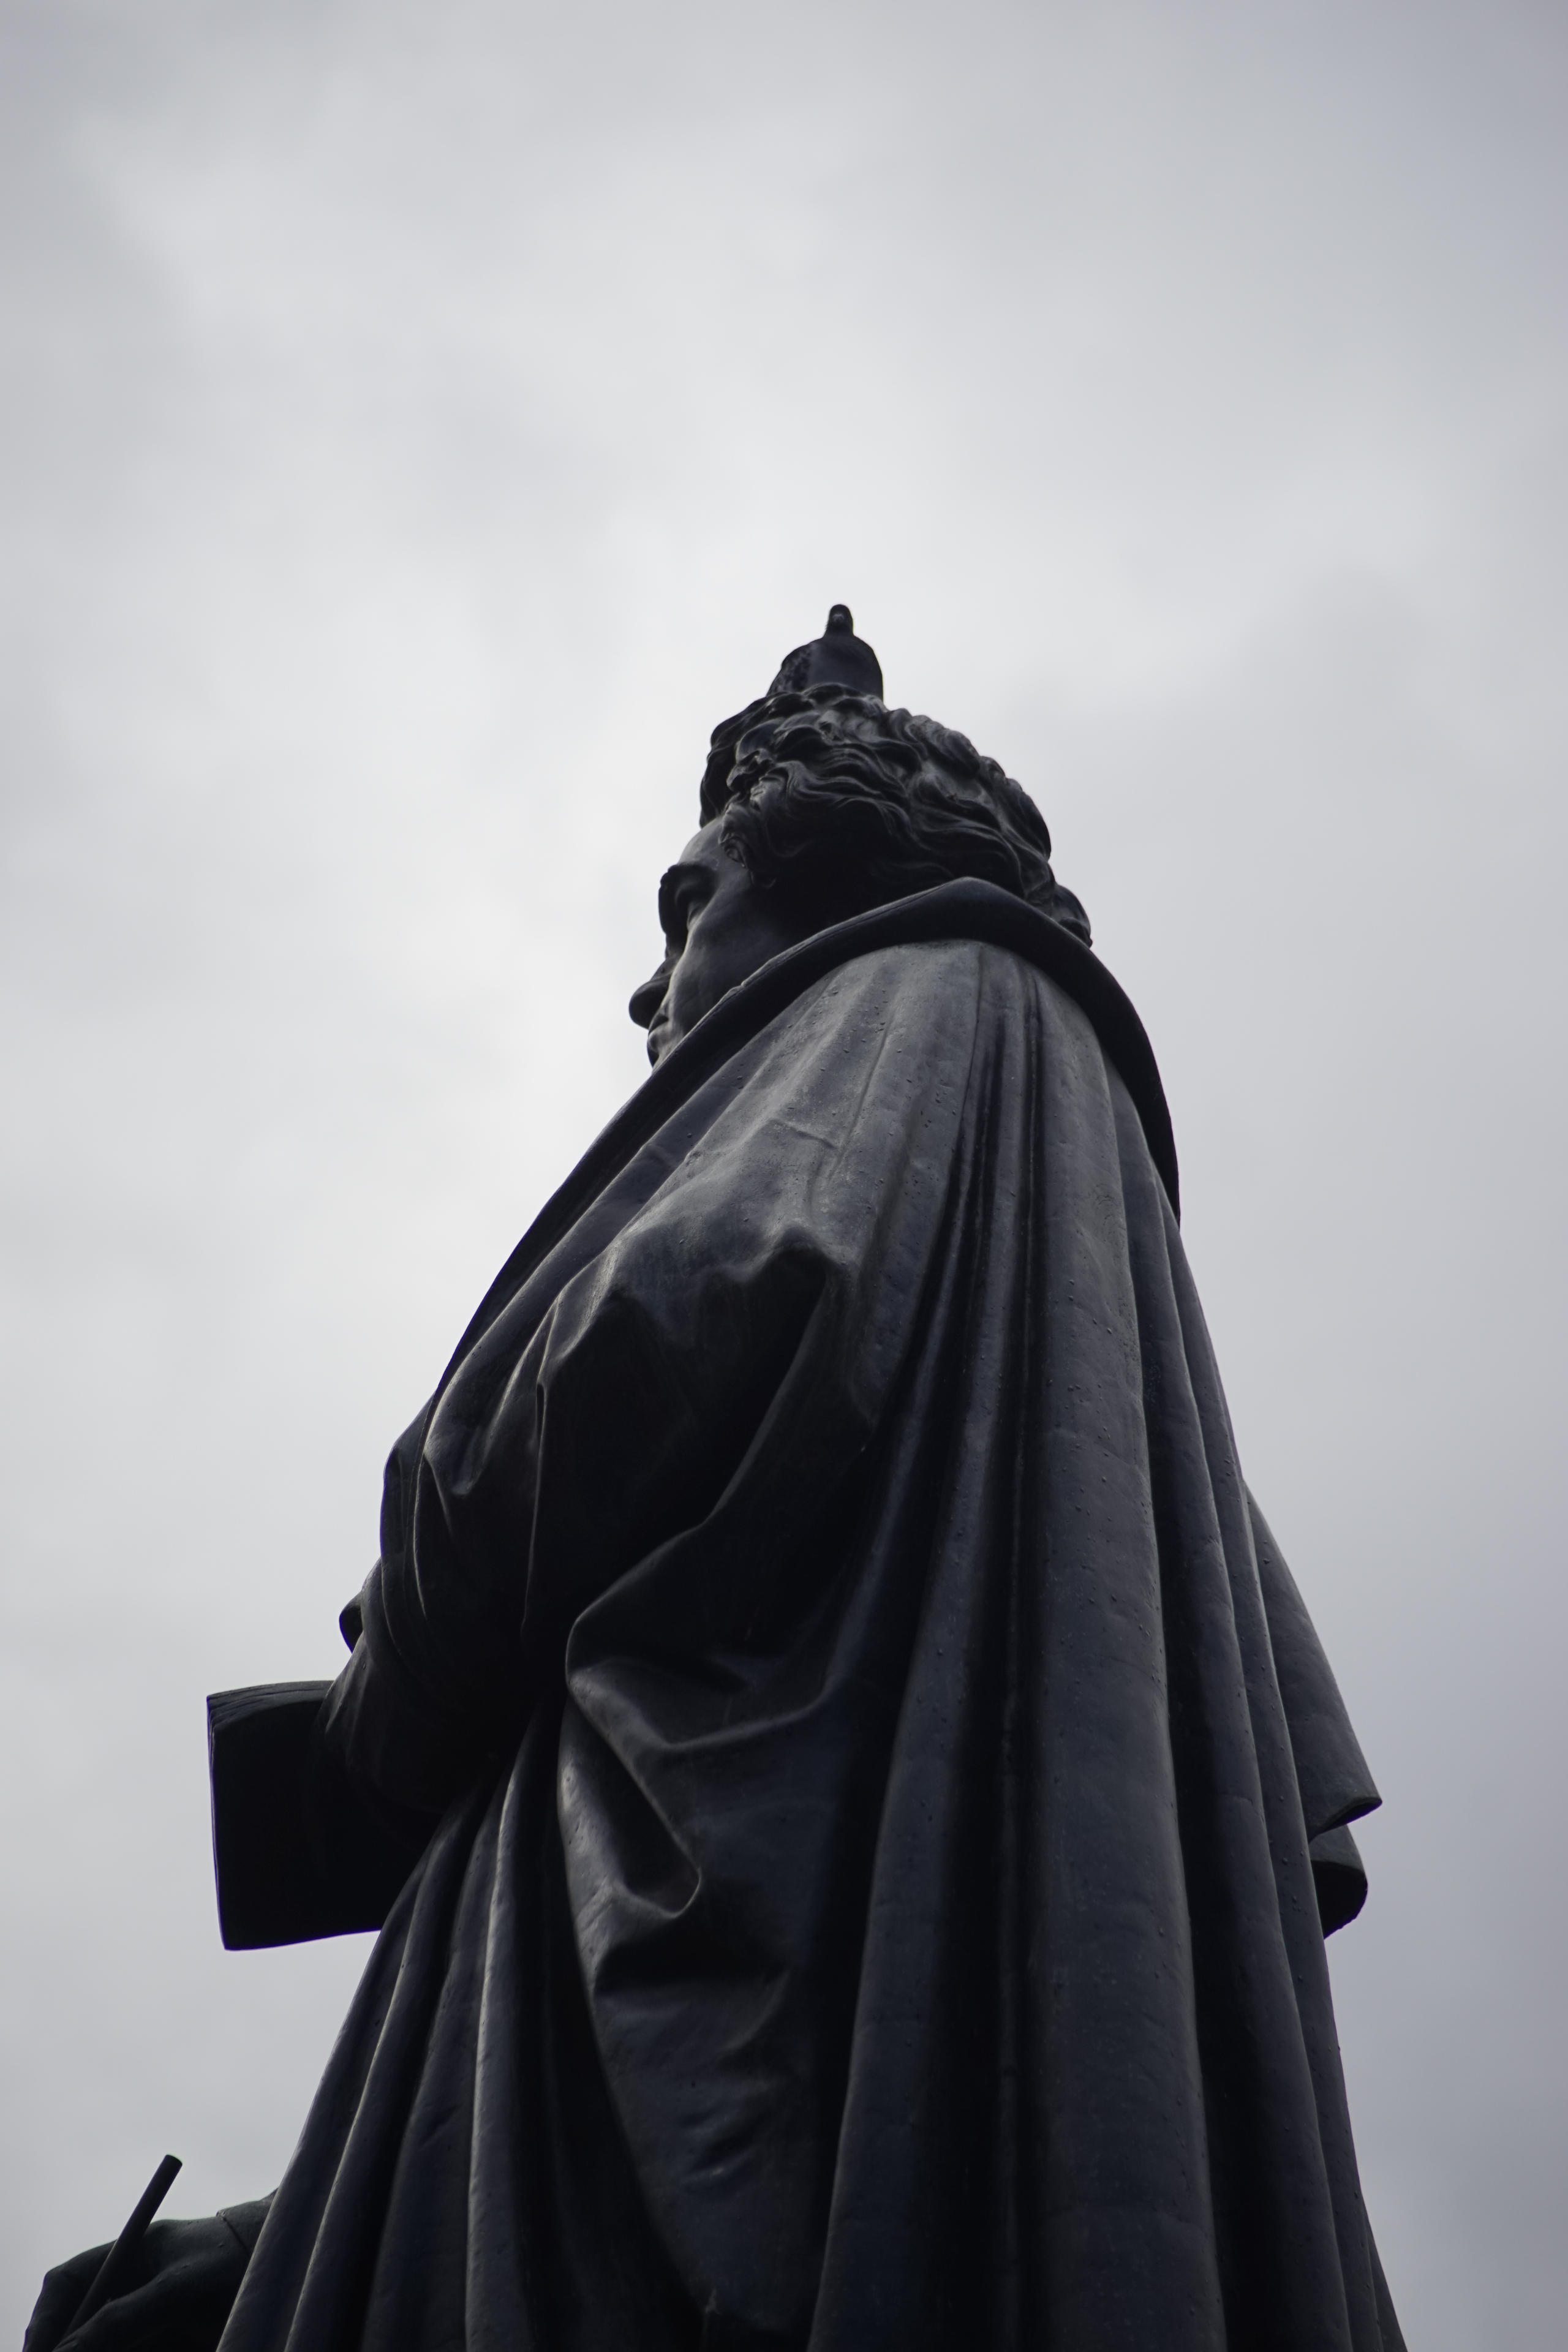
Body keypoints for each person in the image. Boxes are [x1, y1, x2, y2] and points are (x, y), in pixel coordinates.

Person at [28, 609, 1406, 2352]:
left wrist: (390, 1696)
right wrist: (268, 2257)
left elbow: (657, 1338)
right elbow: (742, 2025)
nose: (650, 984)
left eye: (688, 906)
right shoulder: (1058, 1314)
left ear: (840, 885)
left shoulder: (918, 997)